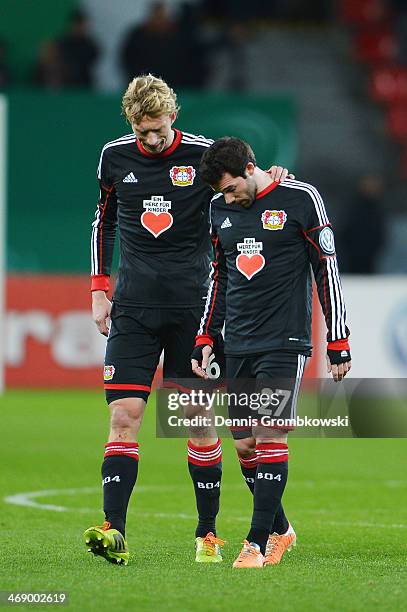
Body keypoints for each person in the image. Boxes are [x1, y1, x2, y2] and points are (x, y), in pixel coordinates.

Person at [84, 74, 290, 565]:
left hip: (194, 311)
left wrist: (276, 182)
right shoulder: (114, 156)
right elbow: (103, 221)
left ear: (172, 116)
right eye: (141, 131)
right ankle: (114, 531)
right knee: (123, 416)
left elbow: (243, 192)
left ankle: (208, 533)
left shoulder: (200, 158)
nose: (150, 140)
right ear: (130, 122)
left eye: (157, 129)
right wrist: (99, 291)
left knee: (196, 420)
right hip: (132, 307)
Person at [191, 136, 351, 568]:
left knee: (270, 435)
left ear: (249, 167)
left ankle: (255, 544)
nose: (228, 197)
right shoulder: (218, 209)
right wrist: (206, 334)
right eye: (220, 193)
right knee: (244, 446)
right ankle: (282, 530)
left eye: (229, 187)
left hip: (285, 341)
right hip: (238, 342)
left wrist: (338, 338)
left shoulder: (302, 198)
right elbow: (220, 276)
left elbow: (326, 267)